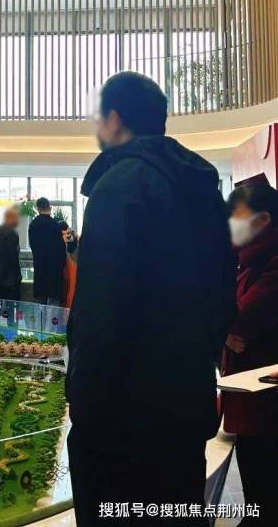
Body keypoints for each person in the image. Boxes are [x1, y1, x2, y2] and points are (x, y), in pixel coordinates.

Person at [66, 71, 235, 526]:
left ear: (115, 119)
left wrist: (84, 401)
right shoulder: (202, 188)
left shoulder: (118, 188)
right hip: (184, 405)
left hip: (124, 422)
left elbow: (101, 314)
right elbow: (224, 292)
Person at [221, 184, 278, 526]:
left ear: (263, 220)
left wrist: (224, 328)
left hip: (265, 400)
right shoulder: (248, 260)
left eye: (236, 217)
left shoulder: (270, 265)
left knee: (265, 486)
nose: (230, 225)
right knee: (256, 484)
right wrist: (225, 334)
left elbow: (244, 315)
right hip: (249, 397)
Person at [0, 207, 22, 325]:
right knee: (12, 310)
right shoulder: (12, 233)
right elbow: (13, 257)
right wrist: (18, 277)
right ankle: (11, 331)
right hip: (10, 280)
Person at [28, 197, 67, 306]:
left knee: (40, 303)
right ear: (49, 207)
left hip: (39, 267)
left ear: (38, 208)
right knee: (54, 303)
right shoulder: (54, 225)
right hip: (54, 270)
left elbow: (33, 246)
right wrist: (62, 264)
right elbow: (61, 249)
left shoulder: (33, 225)